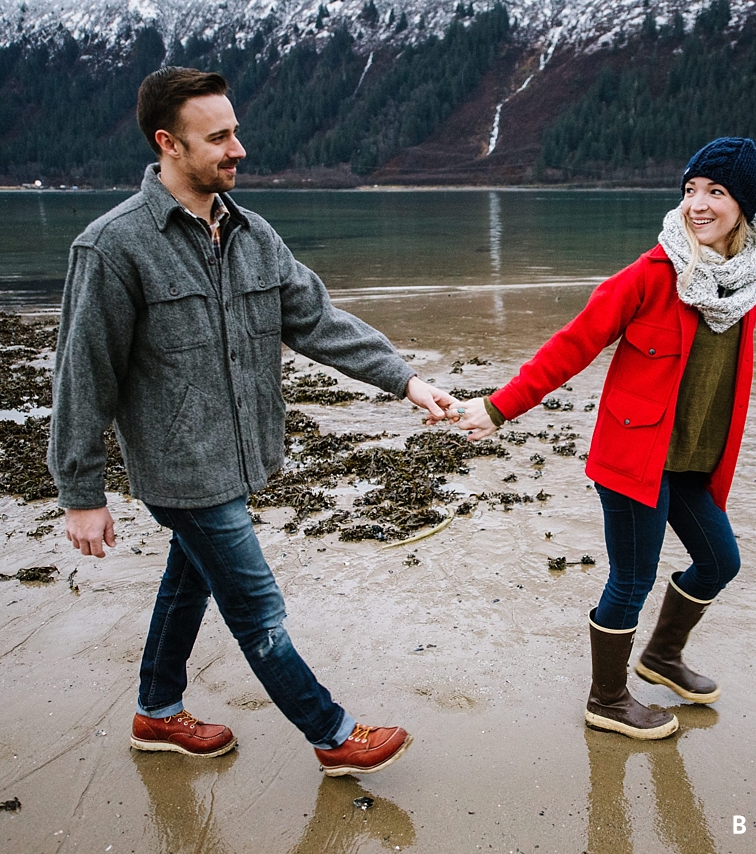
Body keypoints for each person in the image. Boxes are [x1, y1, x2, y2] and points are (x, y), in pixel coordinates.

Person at [47, 66, 454, 774]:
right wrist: (81, 494)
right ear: (168, 143)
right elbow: (84, 375)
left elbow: (317, 321)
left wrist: (406, 380)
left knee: (189, 578)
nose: (239, 149)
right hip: (180, 466)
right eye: (220, 137)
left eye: (236, 131)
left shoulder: (251, 234)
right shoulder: (114, 246)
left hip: (240, 457)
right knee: (257, 607)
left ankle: (157, 710)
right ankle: (332, 734)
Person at [452, 137, 756, 739]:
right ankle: (608, 699)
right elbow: (572, 346)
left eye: (716, 193)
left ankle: (662, 658)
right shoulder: (649, 277)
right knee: (632, 580)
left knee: (720, 562)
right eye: (690, 191)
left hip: (692, 465)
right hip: (634, 461)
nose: (697, 205)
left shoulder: (747, 289)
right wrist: (499, 408)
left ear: (745, 207)